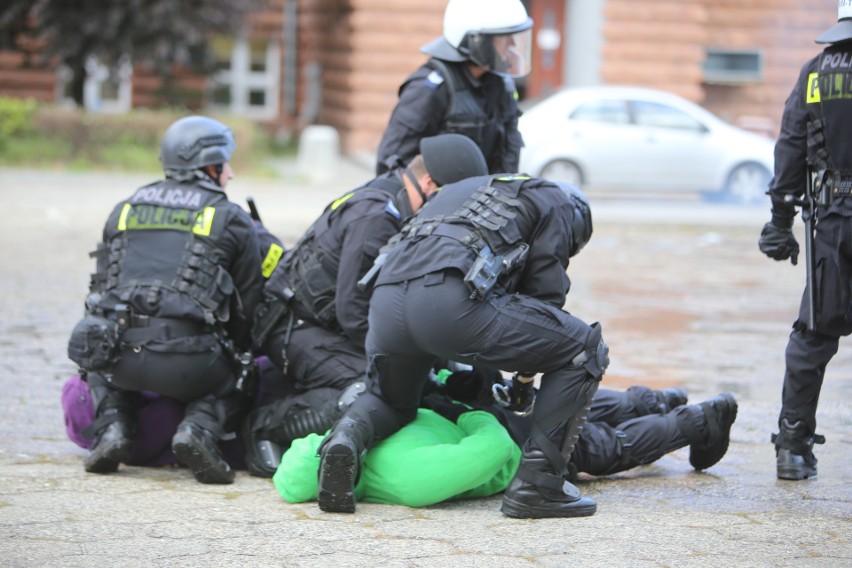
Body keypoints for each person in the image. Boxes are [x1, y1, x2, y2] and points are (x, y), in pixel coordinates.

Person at [315, 174, 738, 518]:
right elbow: (544, 299)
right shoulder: (556, 202)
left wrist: (517, 377)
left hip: (387, 304)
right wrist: (523, 372)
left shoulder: (466, 192)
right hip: (446, 305)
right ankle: (540, 486)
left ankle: (345, 442)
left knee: (388, 400)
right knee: (582, 347)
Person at [241, 133, 490, 476]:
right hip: (294, 327)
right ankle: (264, 426)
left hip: (328, 325)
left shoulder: (403, 204)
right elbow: (355, 313)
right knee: (374, 391)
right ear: (430, 184)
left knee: (416, 383)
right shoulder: (375, 216)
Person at [66, 115, 264, 484]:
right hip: (190, 365)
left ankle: (113, 427)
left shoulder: (123, 209)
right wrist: (236, 356)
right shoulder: (229, 217)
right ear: (209, 165)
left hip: (117, 362)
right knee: (245, 369)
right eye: (226, 163)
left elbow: (99, 293)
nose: (231, 173)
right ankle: (198, 429)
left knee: (96, 338)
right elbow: (247, 308)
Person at [274, 382, 736, 509]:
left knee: (602, 446)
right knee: (579, 413)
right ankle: (660, 402)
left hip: (503, 434)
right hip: (483, 416)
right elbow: (291, 473)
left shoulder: (403, 481)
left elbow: (492, 448)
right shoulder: (354, 432)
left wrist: (469, 417)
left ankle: (693, 422)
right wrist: (464, 411)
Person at [758, 1, 852, 480]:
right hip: (834, 216)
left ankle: (792, 448)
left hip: (834, 221)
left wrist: (779, 220)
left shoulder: (816, 70)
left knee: (813, 337)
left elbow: (791, 144)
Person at [375, 0, 532, 176]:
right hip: (439, 201)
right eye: (504, 39)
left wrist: (505, 195)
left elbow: (508, 154)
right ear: (477, 42)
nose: (512, 46)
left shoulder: (502, 86)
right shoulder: (428, 89)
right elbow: (391, 163)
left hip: (485, 198)